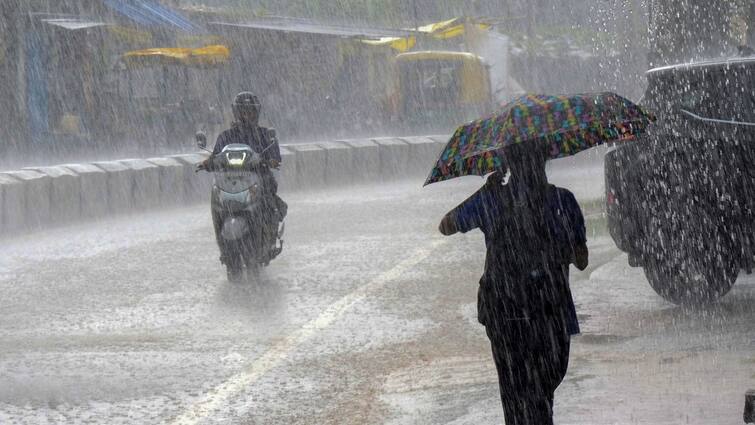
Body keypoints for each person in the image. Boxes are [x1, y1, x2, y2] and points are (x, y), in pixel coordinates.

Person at [438, 143, 588, 425]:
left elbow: (446, 225)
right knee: (542, 394)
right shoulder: (563, 201)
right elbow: (581, 260)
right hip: (550, 313)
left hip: (504, 312)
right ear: (544, 162)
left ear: (507, 165)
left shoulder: (492, 200)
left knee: (513, 392)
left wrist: (485, 194)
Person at [201, 91, 288, 263]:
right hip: (229, 182)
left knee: (269, 199)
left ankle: (268, 234)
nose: (246, 116)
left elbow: (275, 156)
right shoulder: (226, 136)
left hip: (258, 178)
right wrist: (207, 163)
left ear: (257, 113)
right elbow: (216, 155)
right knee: (216, 204)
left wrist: (270, 161)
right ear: (235, 112)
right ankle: (223, 244)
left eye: (250, 111)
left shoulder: (265, 135)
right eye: (242, 111)